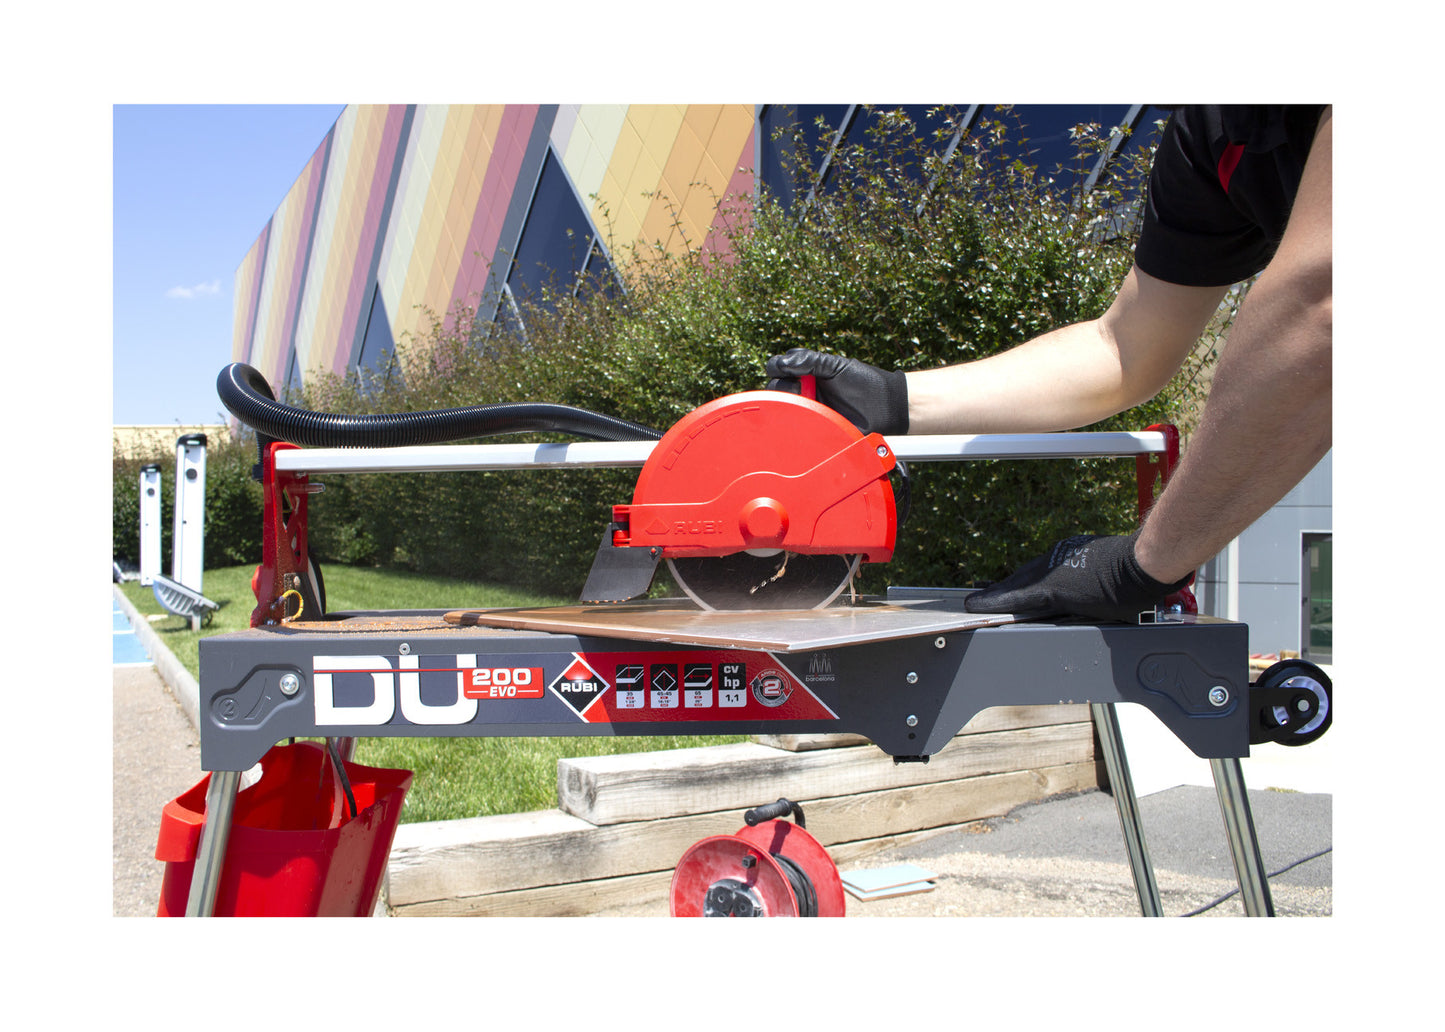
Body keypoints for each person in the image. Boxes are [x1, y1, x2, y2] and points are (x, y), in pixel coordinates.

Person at [766, 105, 1332, 623]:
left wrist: (1143, 564)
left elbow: (1320, 313)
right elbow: (1122, 351)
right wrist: (893, 400)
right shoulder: (1211, 130)